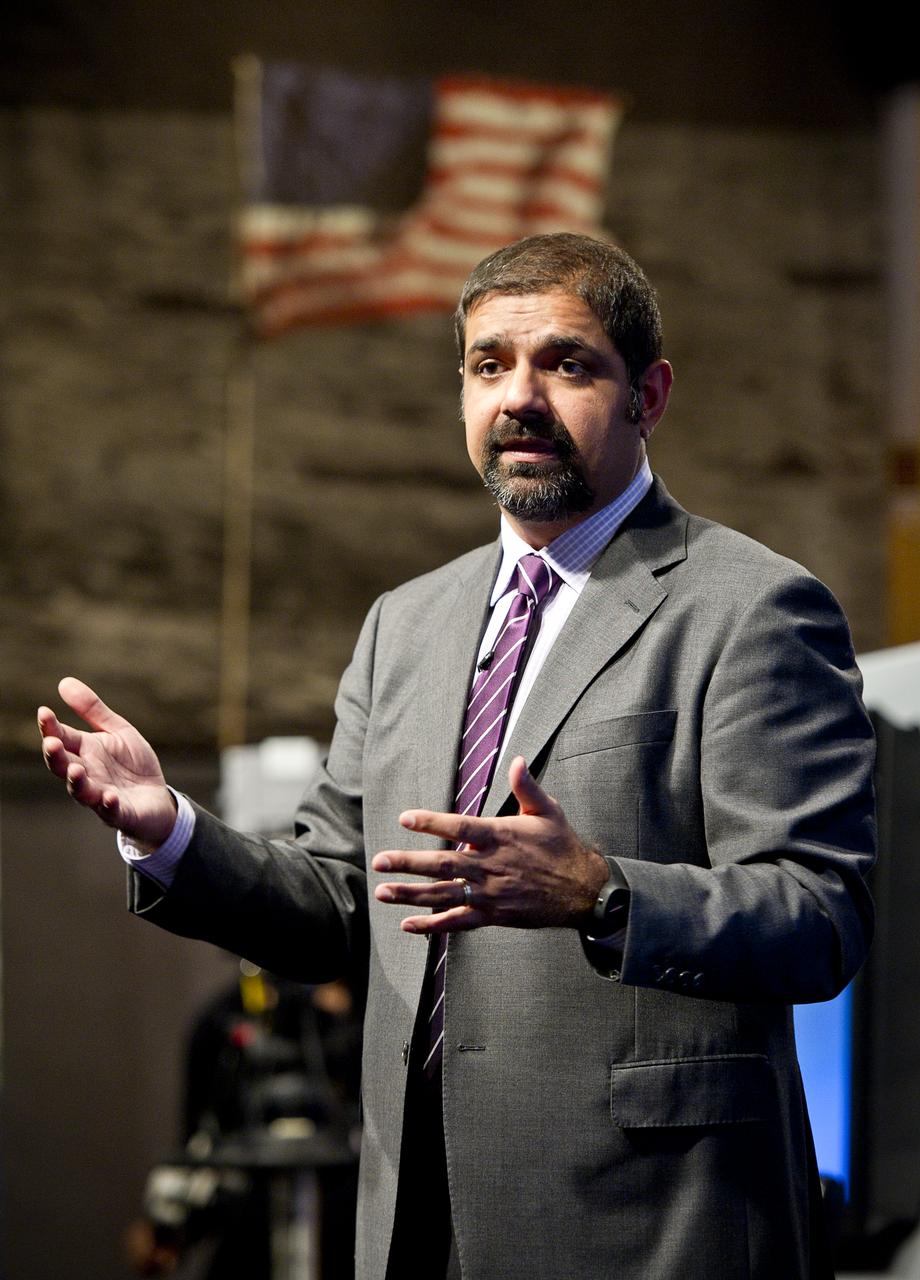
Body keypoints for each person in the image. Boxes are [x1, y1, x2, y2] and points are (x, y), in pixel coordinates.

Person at [39, 233, 876, 1280]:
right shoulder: (406, 622)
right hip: (415, 1214)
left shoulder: (751, 608)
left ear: (646, 395)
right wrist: (168, 833)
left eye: (565, 363)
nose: (517, 397)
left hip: (650, 1222)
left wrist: (602, 892)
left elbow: (819, 915)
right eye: (488, 365)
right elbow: (340, 897)